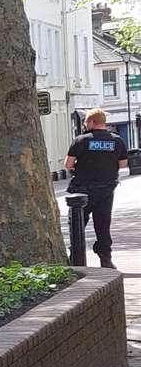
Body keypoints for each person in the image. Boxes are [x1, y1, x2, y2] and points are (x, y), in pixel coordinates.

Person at [65, 108, 123, 269]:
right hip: (106, 190)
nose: (84, 125)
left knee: (77, 225)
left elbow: (68, 164)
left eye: (85, 122)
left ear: (91, 122)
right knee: (103, 225)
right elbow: (123, 163)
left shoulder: (81, 140)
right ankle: (106, 259)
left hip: (82, 190)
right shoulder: (117, 141)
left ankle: (76, 258)